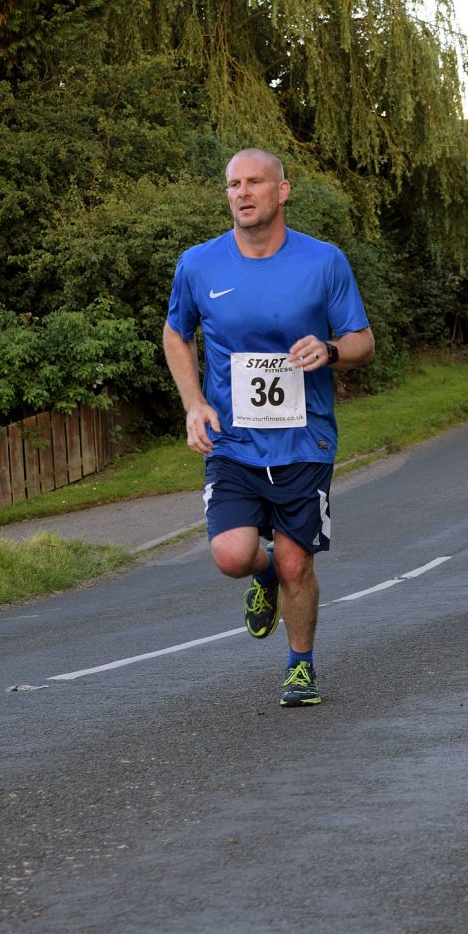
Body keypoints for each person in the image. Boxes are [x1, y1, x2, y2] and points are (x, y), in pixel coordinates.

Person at [163, 148, 375, 705]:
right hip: (232, 438)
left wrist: (328, 350)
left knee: (295, 561)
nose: (242, 193)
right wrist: (192, 403)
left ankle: (300, 665)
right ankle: (262, 579)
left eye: (255, 182)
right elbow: (175, 333)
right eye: (234, 184)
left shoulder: (324, 261)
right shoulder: (199, 264)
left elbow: (362, 342)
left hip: (306, 438)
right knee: (233, 555)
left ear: (282, 191)